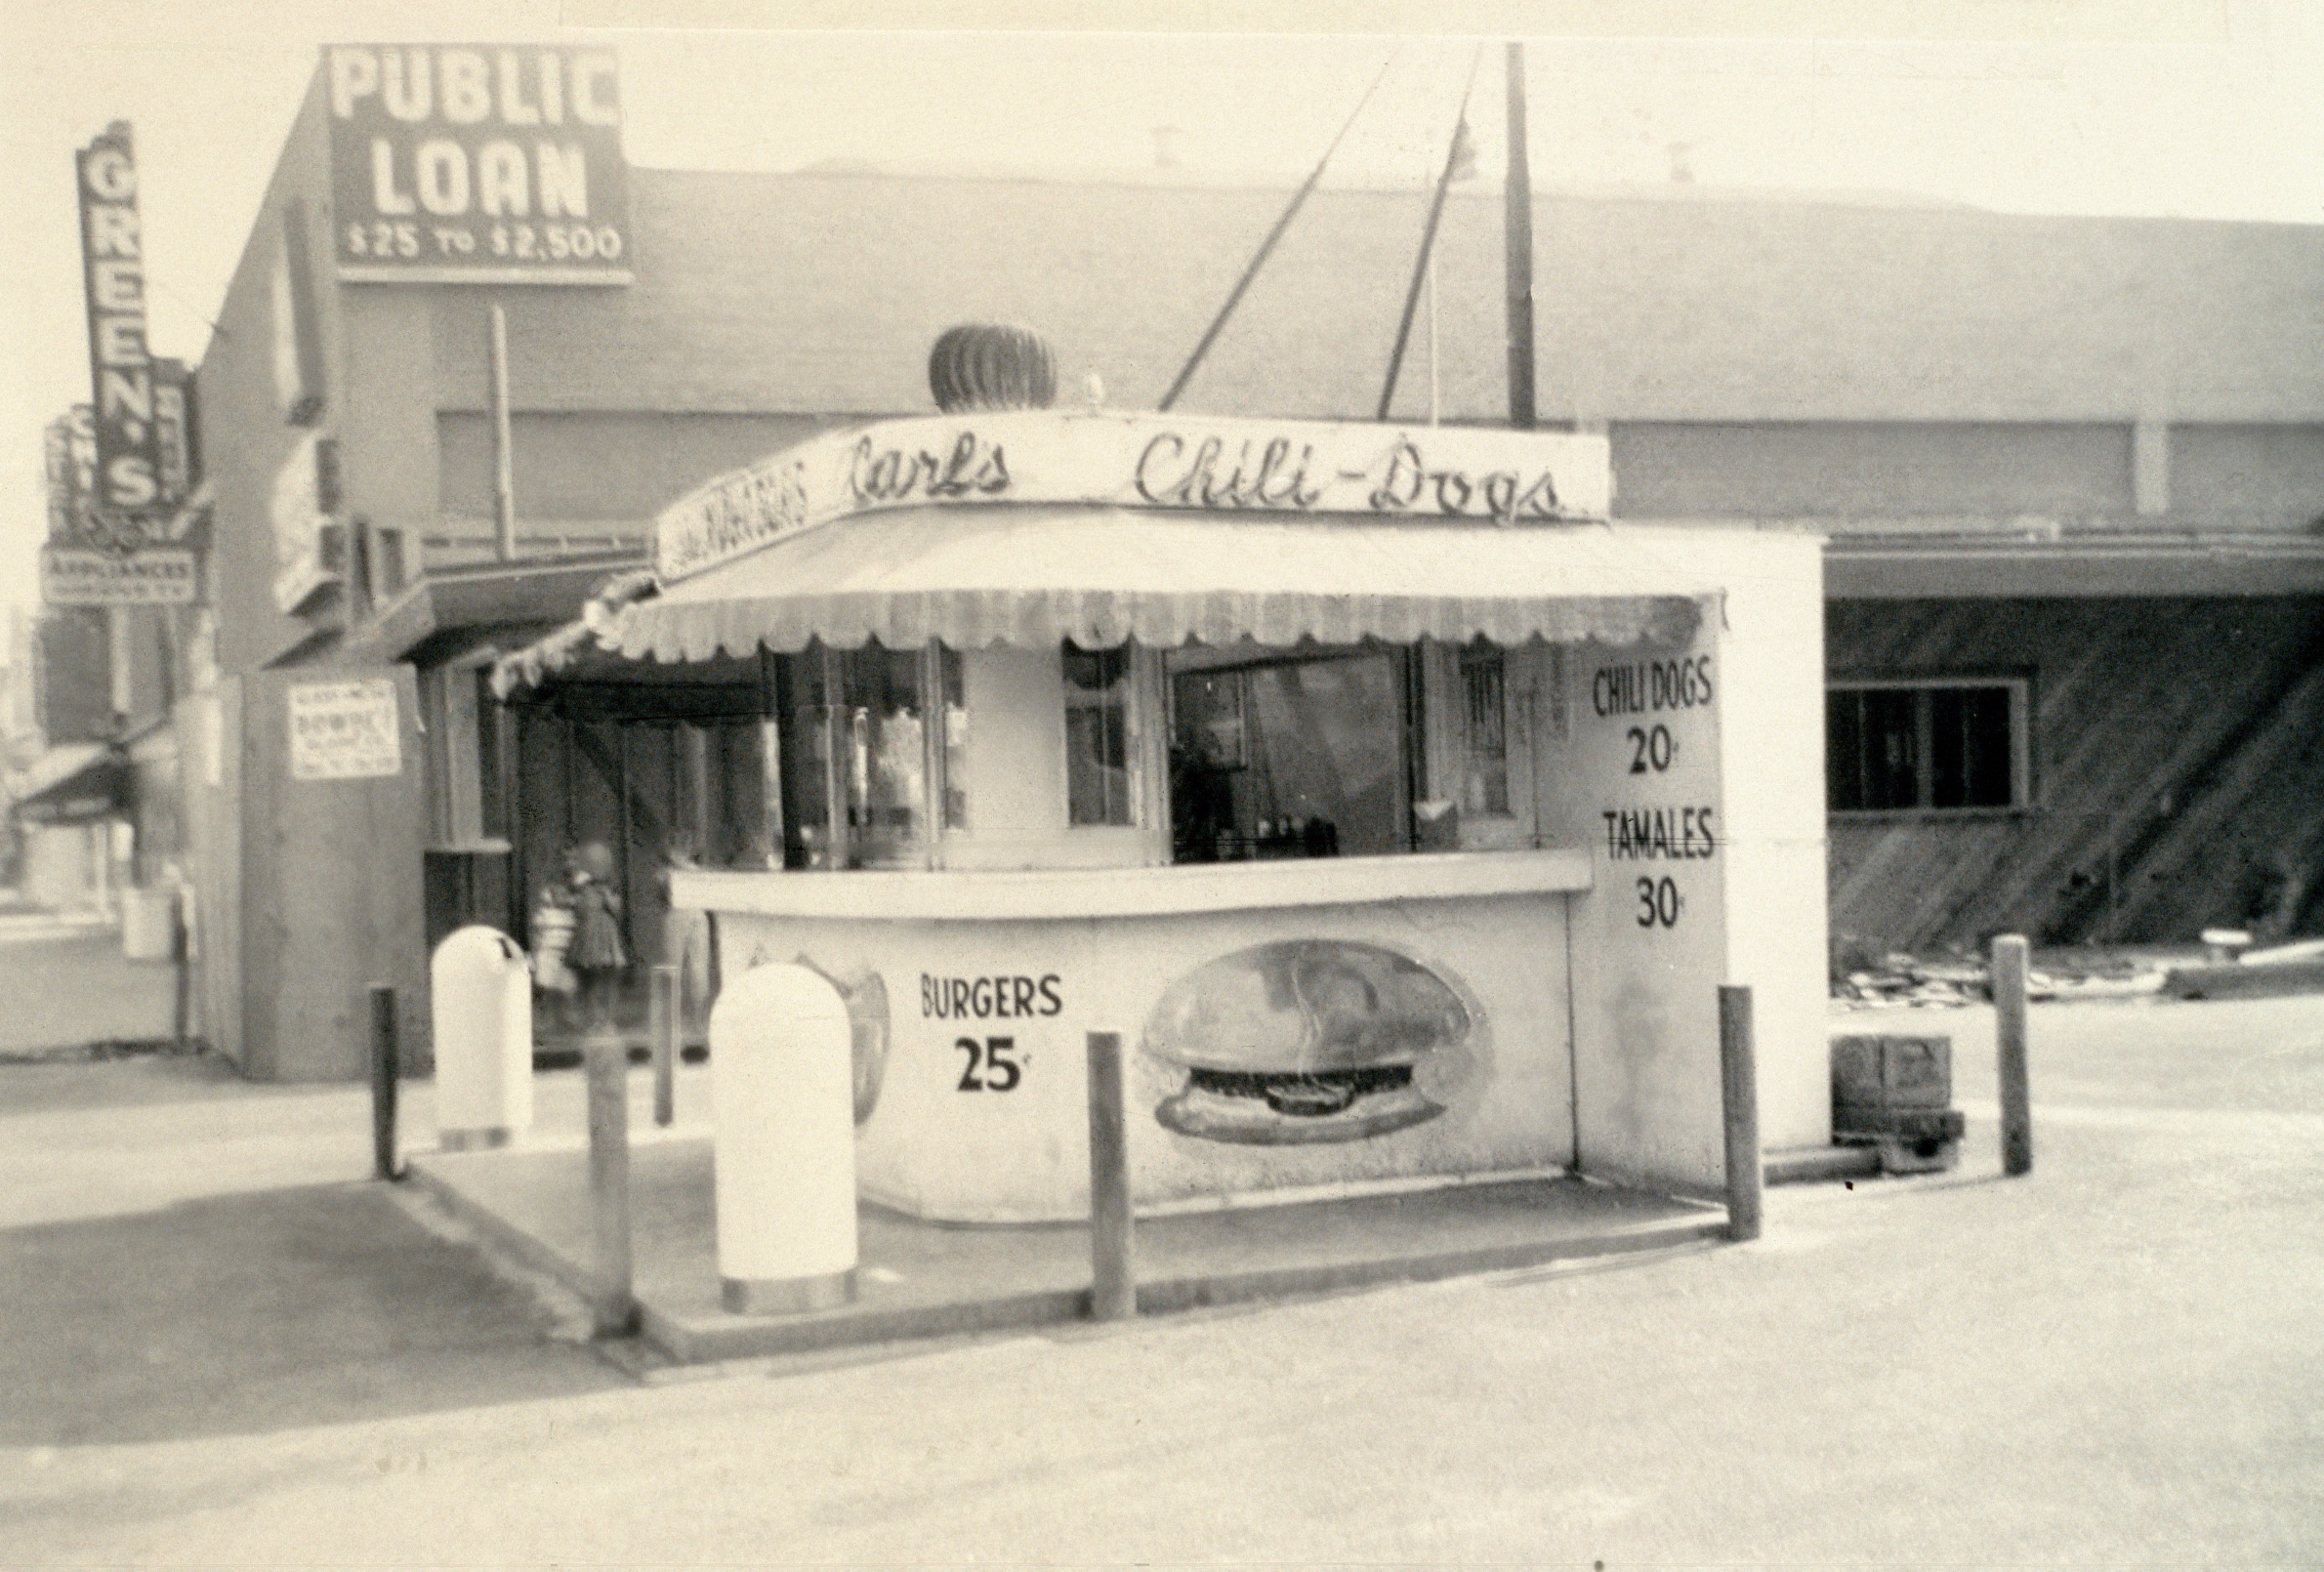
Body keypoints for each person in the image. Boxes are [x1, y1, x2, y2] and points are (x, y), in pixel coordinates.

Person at [566, 841, 626, 1035]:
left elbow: (618, 911)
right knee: (589, 981)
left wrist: (607, 896)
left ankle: (608, 1020)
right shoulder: (580, 888)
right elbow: (576, 909)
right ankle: (592, 1019)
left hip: (606, 939)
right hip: (588, 939)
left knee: (608, 980)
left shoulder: (609, 890)